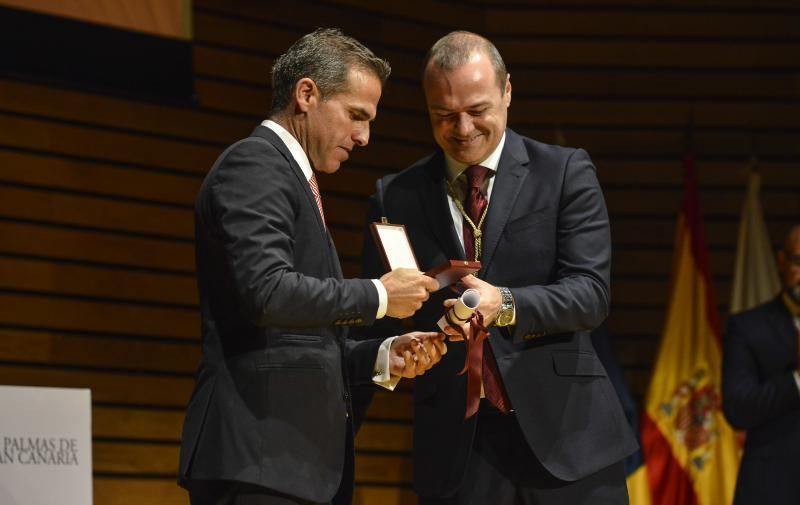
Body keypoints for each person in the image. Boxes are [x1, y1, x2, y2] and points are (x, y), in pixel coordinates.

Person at [361, 31, 638, 504]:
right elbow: (383, 314)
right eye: (444, 115)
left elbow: (590, 294)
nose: (463, 128)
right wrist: (398, 344)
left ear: (507, 91)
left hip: (567, 438)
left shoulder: (565, 171)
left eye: (477, 110)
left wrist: (504, 303)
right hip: (458, 449)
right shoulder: (396, 196)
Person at [178, 28, 445, 505]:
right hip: (258, 462)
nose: (364, 137)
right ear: (307, 94)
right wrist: (381, 296)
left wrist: (383, 355)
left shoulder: (294, 179)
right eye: (356, 116)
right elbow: (268, 293)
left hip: (289, 465)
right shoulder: (255, 164)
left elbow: (301, 340)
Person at [722, 224, 800, 505]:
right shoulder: (748, 327)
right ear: (781, 261)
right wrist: (797, 381)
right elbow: (737, 407)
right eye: (798, 262)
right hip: (772, 488)